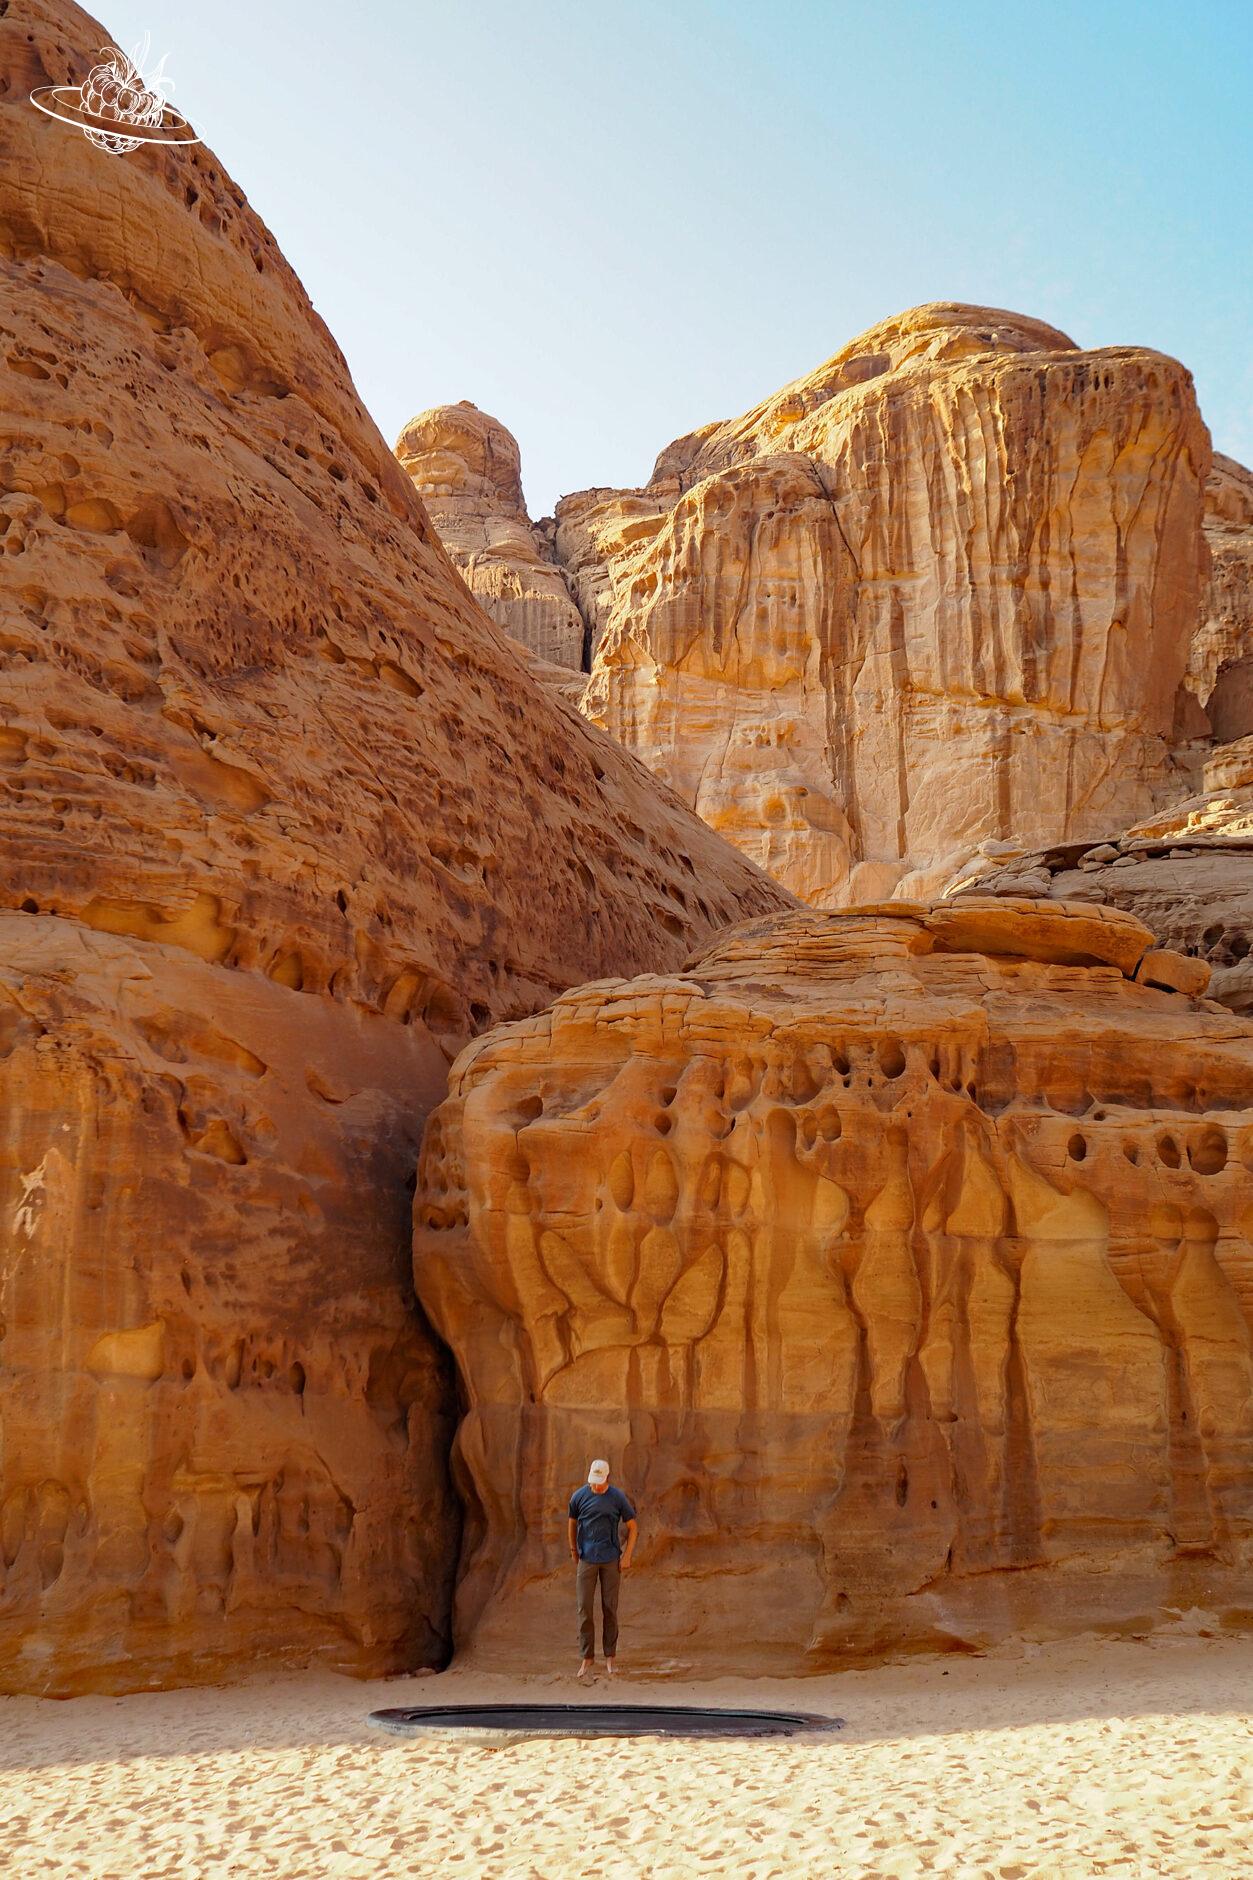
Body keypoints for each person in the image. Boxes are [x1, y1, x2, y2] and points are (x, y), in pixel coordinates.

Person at [567, 1458, 636, 1680]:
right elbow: (572, 1523)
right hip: (587, 1558)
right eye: (593, 1481)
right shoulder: (579, 1496)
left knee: (610, 1608)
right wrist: (573, 1551)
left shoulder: (616, 1497)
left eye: (599, 1481)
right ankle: (587, 1657)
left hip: (610, 1560)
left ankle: (610, 1657)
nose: (596, 1486)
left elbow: (633, 1526)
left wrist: (627, 1555)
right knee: (584, 1607)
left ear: (607, 1477)